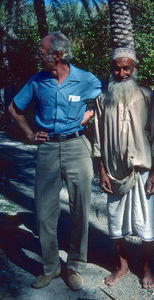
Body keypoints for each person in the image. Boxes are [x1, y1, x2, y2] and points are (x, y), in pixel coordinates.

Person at [8, 31, 101, 291]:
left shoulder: (86, 80)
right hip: (47, 149)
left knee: (80, 209)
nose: (38, 55)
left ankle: (74, 266)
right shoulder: (37, 81)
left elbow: (104, 102)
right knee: (44, 213)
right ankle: (51, 267)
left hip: (77, 146)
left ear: (57, 55)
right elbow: (14, 109)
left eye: (41, 51)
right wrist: (28, 134)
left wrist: (86, 116)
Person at [93, 48, 154, 289]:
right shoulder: (102, 99)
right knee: (115, 222)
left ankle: (146, 268)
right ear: (111, 69)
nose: (121, 72)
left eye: (127, 68)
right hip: (115, 173)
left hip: (143, 171)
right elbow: (98, 140)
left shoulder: (146, 96)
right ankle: (123, 265)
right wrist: (102, 172)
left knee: (146, 223)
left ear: (134, 68)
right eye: (117, 68)